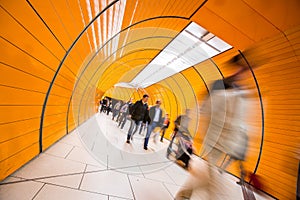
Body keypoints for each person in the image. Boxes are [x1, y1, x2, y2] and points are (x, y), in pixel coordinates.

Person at [175, 54, 252, 200]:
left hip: (227, 142)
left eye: (245, 69)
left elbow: (239, 121)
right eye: (242, 68)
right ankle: (185, 195)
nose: (243, 72)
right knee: (214, 180)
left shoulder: (240, 90)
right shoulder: (219, 85)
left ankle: (183, 195)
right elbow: (205, 109)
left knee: (209, 176)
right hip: (214, 139)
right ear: (236, 67)